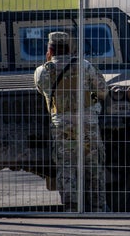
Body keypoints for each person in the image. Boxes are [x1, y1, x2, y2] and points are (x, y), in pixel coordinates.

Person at [34, 31, 110, 212]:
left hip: (61, 125)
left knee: (66, 166)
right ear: (70, 49)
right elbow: (103, 90)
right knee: (93, 165)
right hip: (87, 123)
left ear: (49, 51)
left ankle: (71, 206)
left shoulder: (41, 71)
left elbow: (42, 91)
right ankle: (97, 207)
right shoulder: (84, 66)